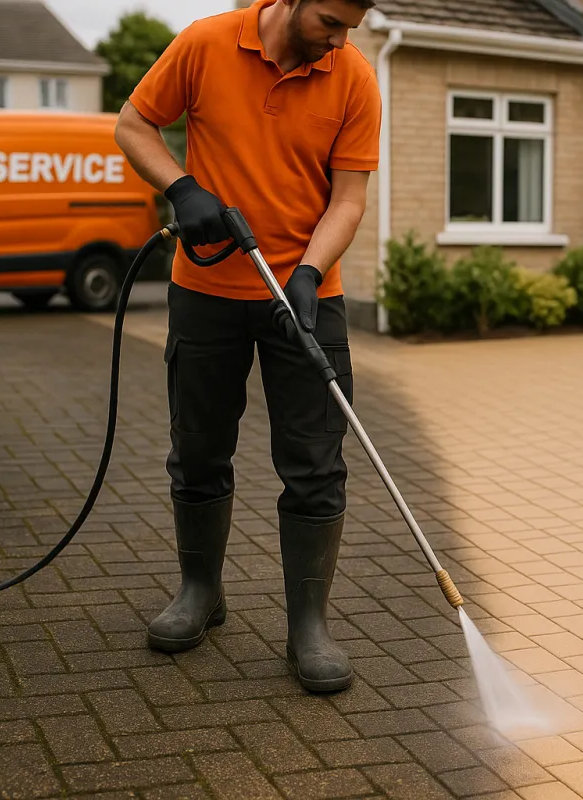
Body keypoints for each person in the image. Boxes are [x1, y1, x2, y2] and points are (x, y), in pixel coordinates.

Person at [114, 0, 381, 693]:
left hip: (305, 294)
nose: (340, 38)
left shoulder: (353, 77)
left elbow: (348, 198)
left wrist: (311, 271)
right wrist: (181, 188)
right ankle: (200, 591)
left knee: (315, 461)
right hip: (206, 293)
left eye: (351, 25)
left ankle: (308, 625)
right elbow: (134, 124)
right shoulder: (205, 44)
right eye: (330, 20)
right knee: (198, 448)